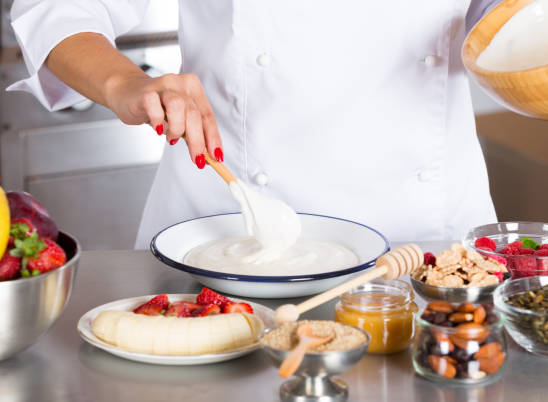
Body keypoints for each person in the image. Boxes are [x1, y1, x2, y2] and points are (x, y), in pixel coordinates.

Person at [9, 1, 500, 249]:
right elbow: (57, 7)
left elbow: (511, 22)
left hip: (427, 243)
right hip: (227, 231)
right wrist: (123, 83)